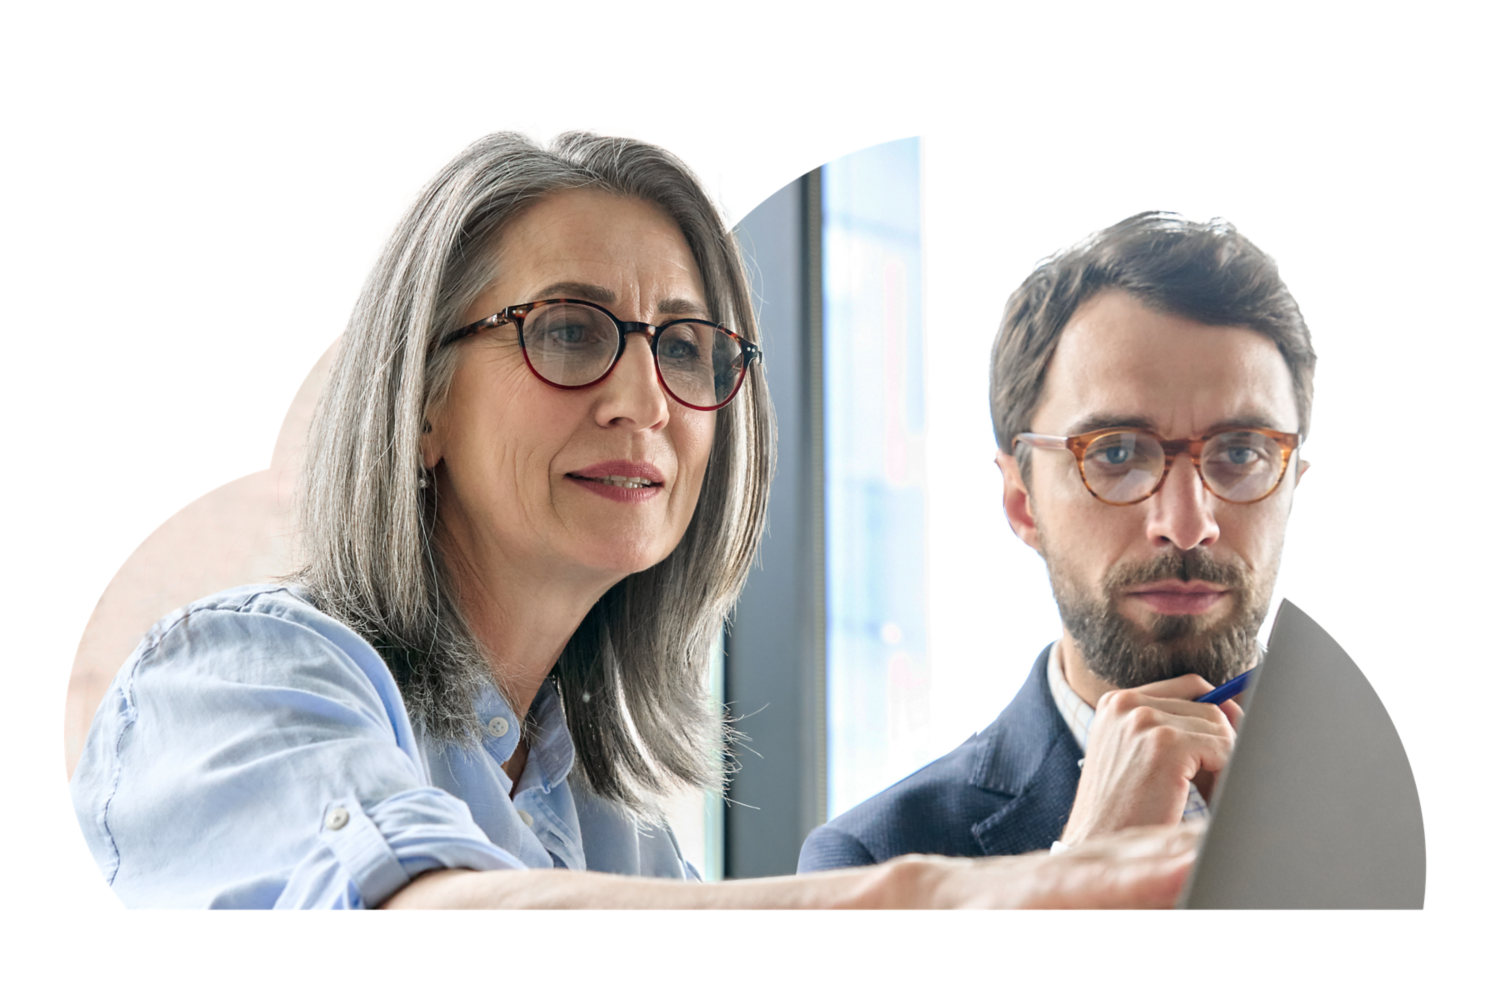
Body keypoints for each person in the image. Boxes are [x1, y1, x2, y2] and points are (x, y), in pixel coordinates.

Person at [69, 129, 1199, 909]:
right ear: (422, 403)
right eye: (568, 330)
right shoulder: (234, 676)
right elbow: (416, 932)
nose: (645, 398)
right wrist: (972, 901)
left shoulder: (620, 835)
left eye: (686, 345)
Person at [799, 211, 1316, 871]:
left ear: (1292, 483)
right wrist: (1078, 872)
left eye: (1241, 452)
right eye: (1118, 453)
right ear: (1022, 500)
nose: (1187, 525)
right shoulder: (876, 860)